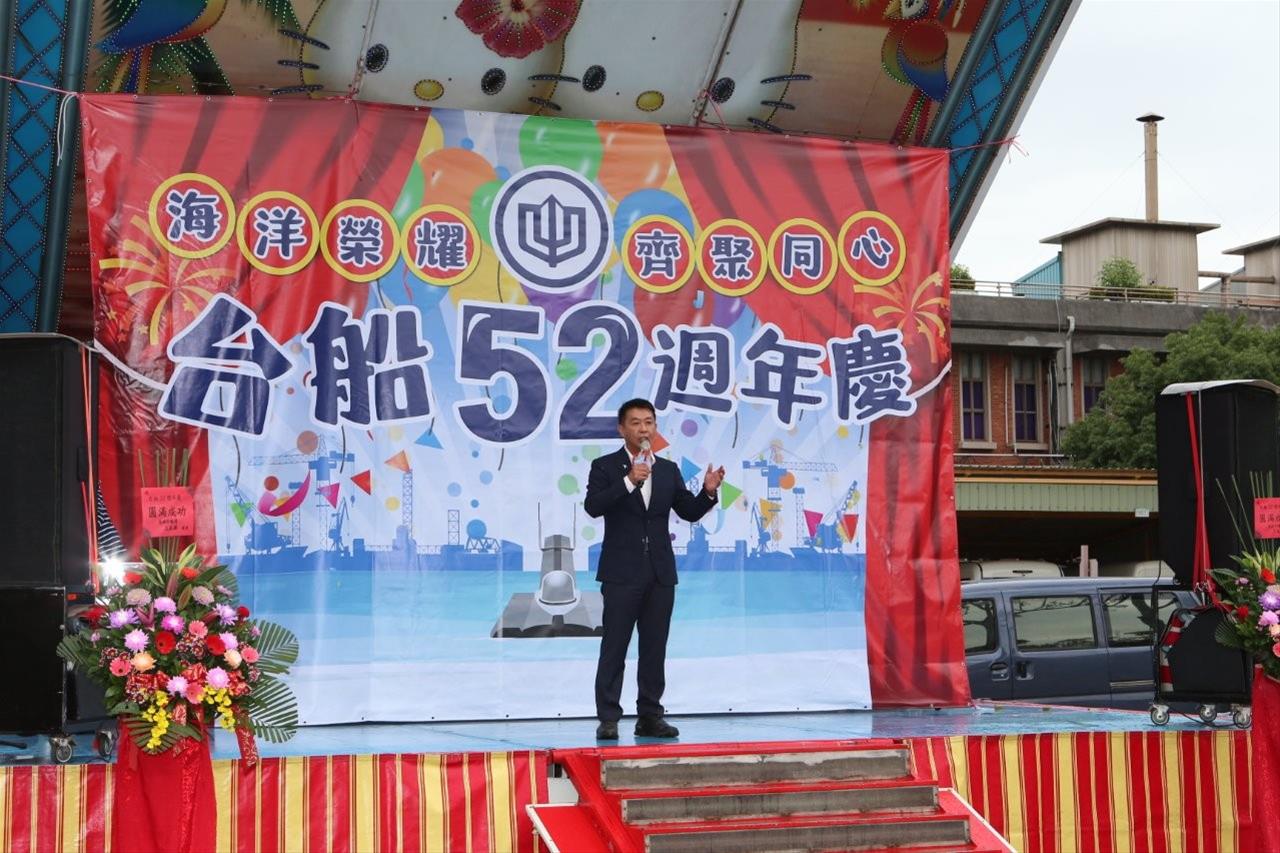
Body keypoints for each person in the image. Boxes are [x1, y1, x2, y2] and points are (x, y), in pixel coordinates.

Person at [584, 399, 725, 740]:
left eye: (649, 422)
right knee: (614, 646)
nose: (643, 429)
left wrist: (707, 493)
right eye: (635, 423)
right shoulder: (605, 467)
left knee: (654, 648)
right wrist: (629, 480)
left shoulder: (668, 470)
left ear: (655, 427)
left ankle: (650, 716)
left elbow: (688, 511)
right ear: (622, 429)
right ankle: (608, 717)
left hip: (660, 572)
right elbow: (593, 506)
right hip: (621, 573)